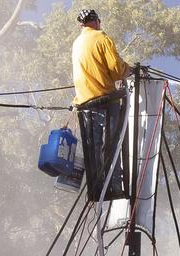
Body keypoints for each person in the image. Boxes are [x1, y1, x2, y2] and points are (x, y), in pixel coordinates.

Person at [72, 8, 131, 201]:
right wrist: (128, 71)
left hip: (85, 104)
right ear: (96, 21)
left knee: (93, 147)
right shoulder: (101, 37)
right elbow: (116, 70)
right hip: (105, 101)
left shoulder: (77, 43)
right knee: (112, 144)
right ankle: (114, 186)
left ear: (82, 25)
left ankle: (97, 187)